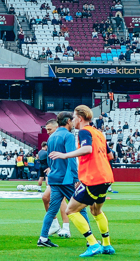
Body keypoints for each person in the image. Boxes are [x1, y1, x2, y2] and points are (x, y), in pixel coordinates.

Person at [48, 105, 114, 257]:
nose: (72, 119)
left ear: (80, 118)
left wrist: (65, 155)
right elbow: (111, 156)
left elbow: (87, 149)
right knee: (96, 211)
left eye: (74, 116)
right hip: (106, 178)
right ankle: (107, 244)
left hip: (93, 178)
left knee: (70, 210)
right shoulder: (99, 133)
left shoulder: (84, 131)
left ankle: (93, 243)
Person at [37, 112, 89, 246]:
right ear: (67, 121)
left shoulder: (51, 137)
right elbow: (71, 156)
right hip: (66, 178)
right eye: (71, 121)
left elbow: (49, 158)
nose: (73, 123)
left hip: (54, 177)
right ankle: (91, 240)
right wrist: (76, 177)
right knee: (81, 207)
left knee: (52, 210)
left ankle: (42, 238)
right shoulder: (69, 136)